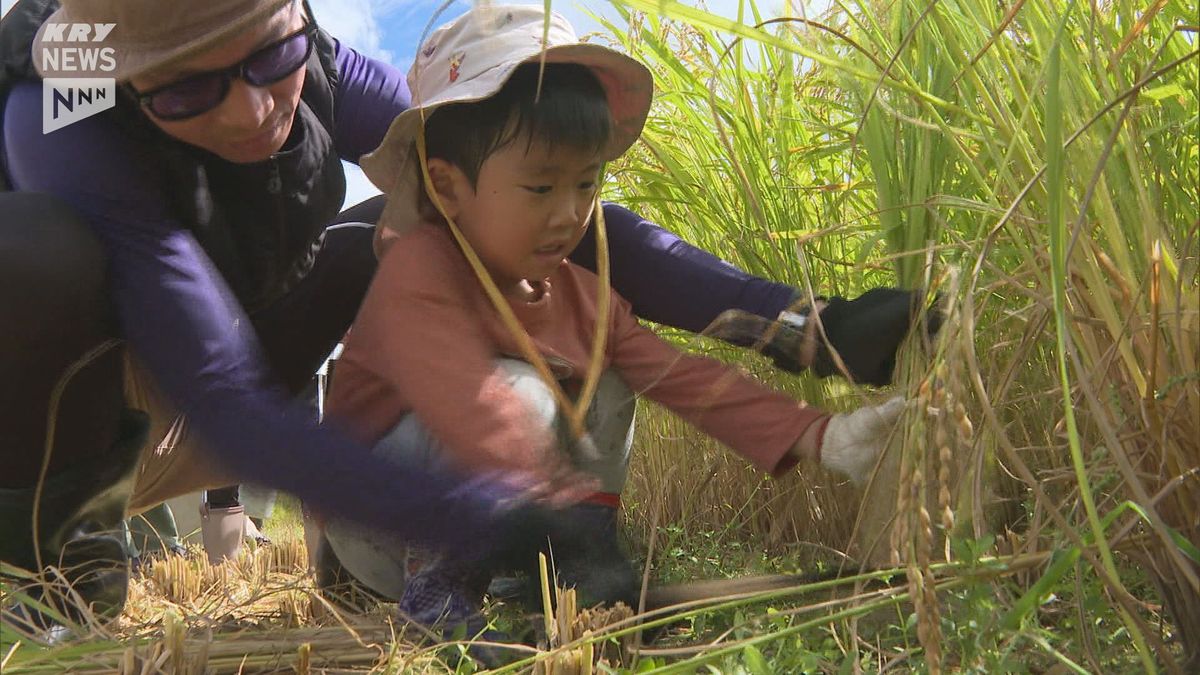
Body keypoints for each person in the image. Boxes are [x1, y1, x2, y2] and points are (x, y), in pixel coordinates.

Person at [0, 0, 931, 625]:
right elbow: (222, 395)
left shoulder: (321, 71)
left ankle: (367, 552)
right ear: (124, 80)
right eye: (190, 91)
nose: (252, 112)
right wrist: (478, 514)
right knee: (30, 251)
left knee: (440, 217)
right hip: (116, 408)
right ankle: (54, 554)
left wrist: (802, 326)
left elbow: (519, 190)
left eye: (270, 58)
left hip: (251, 369)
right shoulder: (61, 122)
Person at [320, 4, 909, 643]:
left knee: (609, 382)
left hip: (507, 510)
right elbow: (469, 403)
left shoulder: (585, 296)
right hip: (371, 521)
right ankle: (442, 588)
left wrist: (821, 437)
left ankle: (556, 579)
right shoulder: (419, 271)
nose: (570, 213)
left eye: (587, 183)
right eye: (541, 189)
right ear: (448, 187)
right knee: (520, 390)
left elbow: (683, 377)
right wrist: (556, 519)